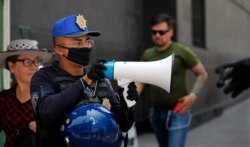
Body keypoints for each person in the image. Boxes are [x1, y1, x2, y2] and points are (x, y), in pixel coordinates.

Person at [30, 14, 139, 147]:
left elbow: (124, 124)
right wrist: (86, 80)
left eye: (87, 41)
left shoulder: (101, 79)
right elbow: (46, 113)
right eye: (77, 42)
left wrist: (127, 104)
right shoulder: (44, 77)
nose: (85, 46)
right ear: (59, 49)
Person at [136, 13, 208, 147]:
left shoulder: (182, 51)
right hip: (155, 114)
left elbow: (202, 74)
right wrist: (131, 100)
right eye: (154, 32)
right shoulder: (147, 54)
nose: (157, 35)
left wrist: (193, 95)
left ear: (171, 32)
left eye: (162, 32)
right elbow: (141, 79)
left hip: (178, 112)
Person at [0, 39, 52, 147]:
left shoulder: (49, 96)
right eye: (27, 62)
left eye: (37, 61)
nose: (34, 67)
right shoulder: (4, 98)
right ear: (11, 66)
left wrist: (45, 129)